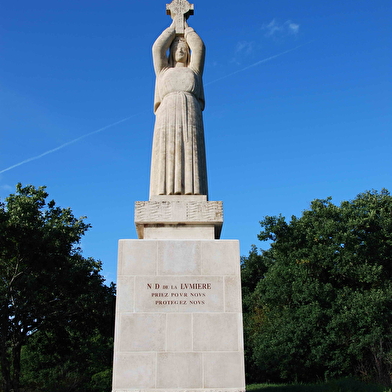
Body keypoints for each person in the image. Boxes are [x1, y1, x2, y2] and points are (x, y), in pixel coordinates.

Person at [149, 20, 208, 198]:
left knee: (191, 151)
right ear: (171, 52)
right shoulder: (163, 71)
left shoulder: (194, 71)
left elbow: (199, 47)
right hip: (167, 113)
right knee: (166, 153)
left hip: (190, 110)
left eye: (183, 47)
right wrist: (174, 27)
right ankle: (163, 191)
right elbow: (157, 49)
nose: (180, 50)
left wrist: (187, 30)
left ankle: (193, 190)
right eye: (176, 47)